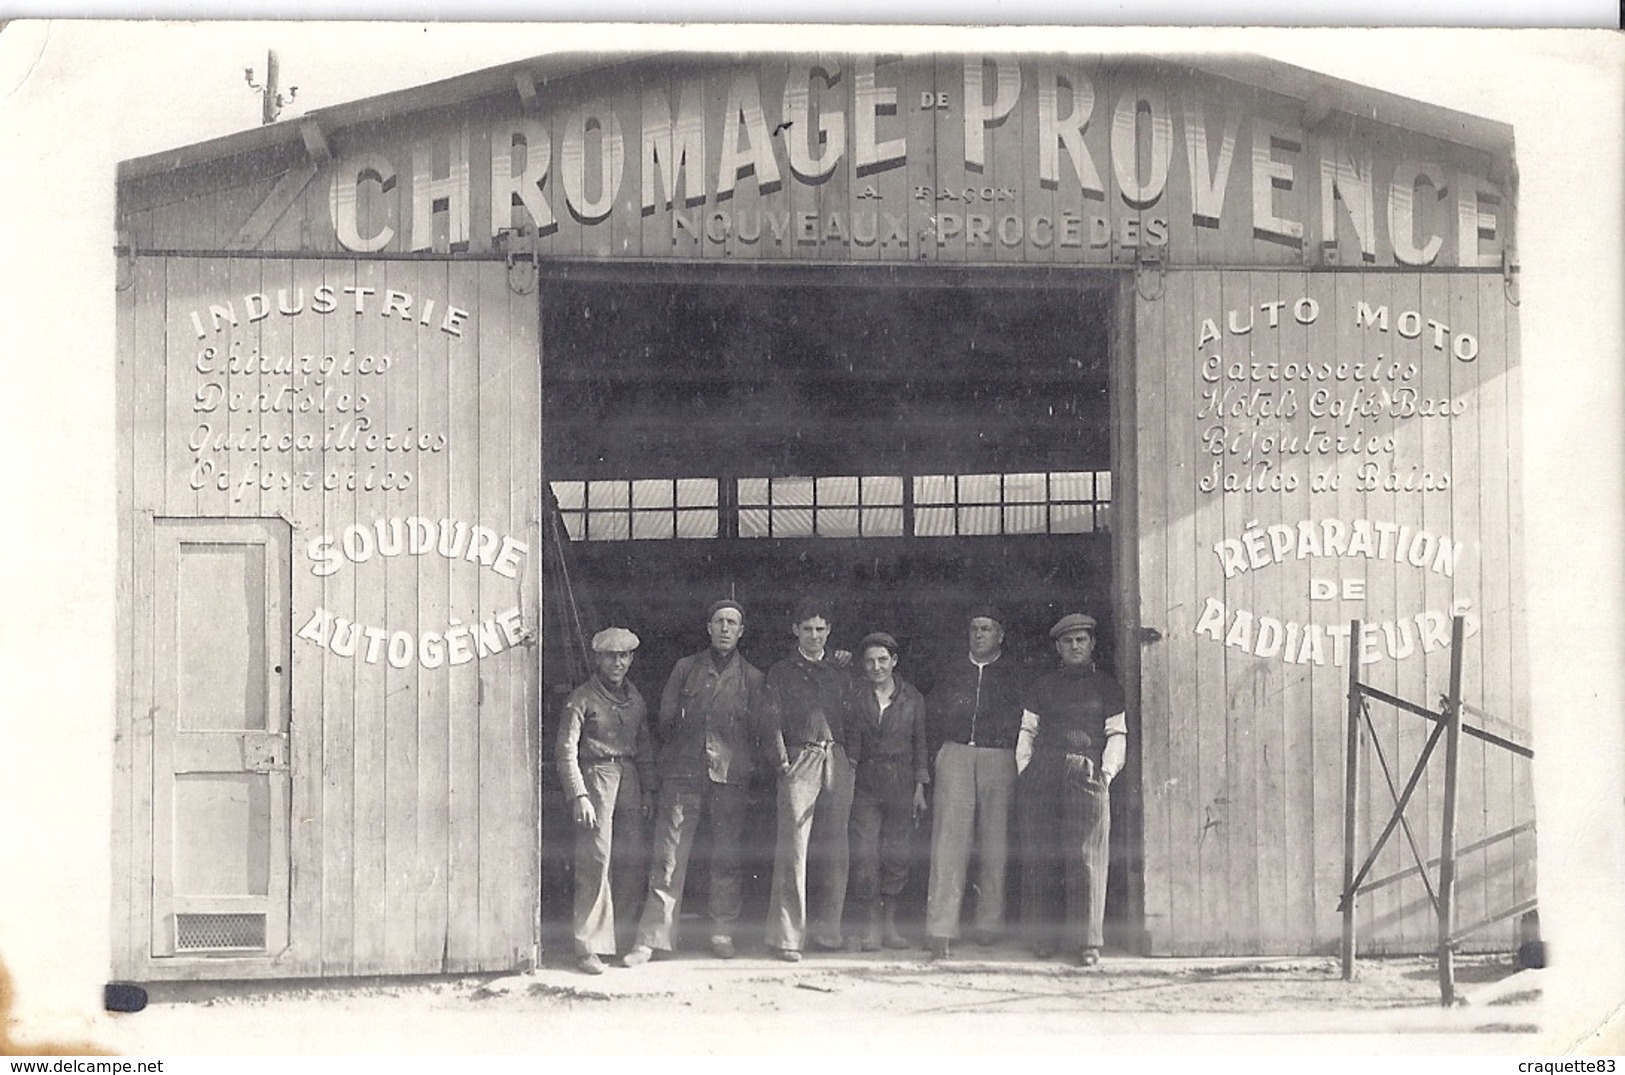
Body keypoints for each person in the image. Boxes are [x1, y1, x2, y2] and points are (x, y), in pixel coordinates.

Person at [623, 600, 765, 965]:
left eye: (732, 623)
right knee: (668, 856)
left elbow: (758, 732)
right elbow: (665, 721)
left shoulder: (752, 677)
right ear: (708, 627)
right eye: (719, 621)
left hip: (729, 778)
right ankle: (651, 938)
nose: (725, 628)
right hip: (682, 775)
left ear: (741, 631)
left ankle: (722, 931)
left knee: (726, 857)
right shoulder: (685, 669)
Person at [1017, 613, 1127, 967]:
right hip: (1044, 770)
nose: (1074, 646)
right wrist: (1027, 771)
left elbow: (1117, 735)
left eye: (1081, 640)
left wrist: (1105, 775)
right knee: (1041, 853)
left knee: (1087, 857)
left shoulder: (1108, 687)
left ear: (1092, 643)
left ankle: (1087, 943)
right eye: (1067, 641)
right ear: (1058, 647)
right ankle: (1043, 938)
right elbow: (1027, 732)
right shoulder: (1043, 685)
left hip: (1087, 771)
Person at [923, 604, 1026, 960]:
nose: (979, 634)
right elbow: (931, 717)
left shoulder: (1014, 674)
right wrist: (937, 757)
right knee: (948, 842)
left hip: (998, 758)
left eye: (986, 629)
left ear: (1000, 635)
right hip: (956, 756)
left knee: (994, 842)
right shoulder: (951, 671)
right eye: (974, 628)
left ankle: (989, 923)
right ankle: (941, 927)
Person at [762, 597, 858, 961]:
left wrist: (852, 757)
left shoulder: (840, 672)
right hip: (800, 759)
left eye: (820, 629)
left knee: (836, 848)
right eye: (807, 629)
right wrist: (782, 760)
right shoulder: (782, 672)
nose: (814, 636)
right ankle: (788, 937)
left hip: (837, 758)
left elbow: (856, 716)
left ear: (829, 631)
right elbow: (770, 719)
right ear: (795, 631)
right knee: (794, 849)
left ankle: (829, 930)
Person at [555, 626, 654, 975]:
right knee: (595, 860)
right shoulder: (581, 699)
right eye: (611, 656)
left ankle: (622, 940)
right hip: (596, 778)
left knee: (630, 859)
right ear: (598, 658)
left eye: (624, 655)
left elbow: (644, 748)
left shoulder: (636, 698)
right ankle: (589, 947)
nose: (618, 662)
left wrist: (649, 789)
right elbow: (565, 751)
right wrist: (578, 794)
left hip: (629, 779)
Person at [844, 632, 929, 952]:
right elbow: (851, 743)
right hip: (865, 784)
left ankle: (890, 926)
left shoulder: (913, 698)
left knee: (897, 854)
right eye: (869, 661)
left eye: (882, 660)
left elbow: (920, 744)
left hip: (901, 784)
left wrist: (920, 788)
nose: (876, 666)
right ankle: (870, 927)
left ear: (894, 661)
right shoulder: (855, 696)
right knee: (866, 855)